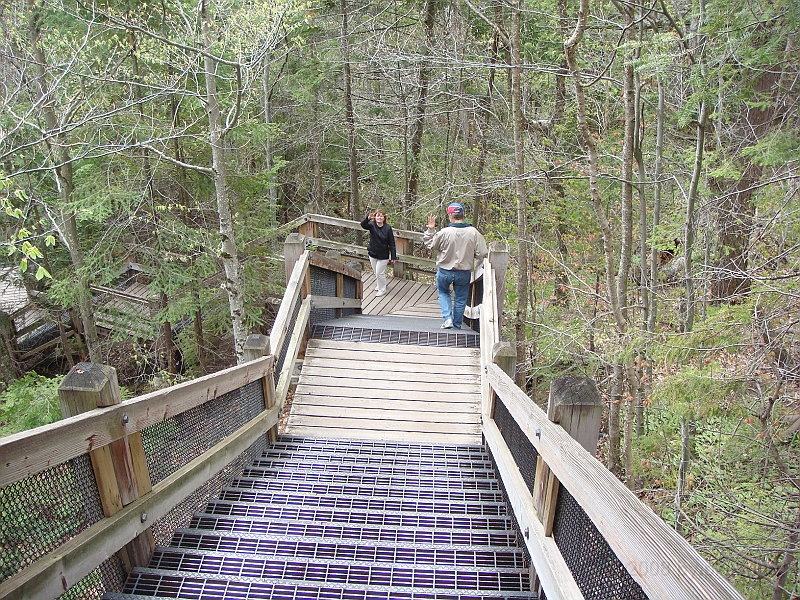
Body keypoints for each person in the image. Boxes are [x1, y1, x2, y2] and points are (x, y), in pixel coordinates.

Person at [423, 202, 488, 329]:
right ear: (462, 215)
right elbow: (482, 253)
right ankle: (457, 325)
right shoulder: (473, 232)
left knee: (443, 293)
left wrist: (431, 229)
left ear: (450, 216)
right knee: (460, 298)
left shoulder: (444, 232)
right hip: (463, 272)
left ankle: (448, 319)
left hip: (445, 271)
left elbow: (431, 245)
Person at [360, 209, 397, 296]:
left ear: (384, 218)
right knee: (376, 271)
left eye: (381, 216)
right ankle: (379, 284)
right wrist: (368, 218)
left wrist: (393, 256)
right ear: (375, 217)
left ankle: (382, 289)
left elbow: (392, 243)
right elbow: (363, 225)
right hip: (372, 253)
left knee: (379, 273)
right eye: (378, 216)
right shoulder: (372, 225)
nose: (379, 218)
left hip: (383, 255)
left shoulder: (388, 228)